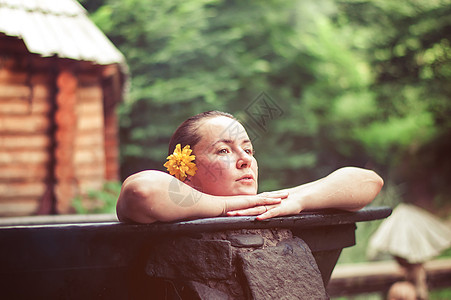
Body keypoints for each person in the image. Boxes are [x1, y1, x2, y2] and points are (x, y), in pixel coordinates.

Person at [116, 111, 384, 224]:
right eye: (223, 150)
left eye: (248, 149)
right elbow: (142, 191)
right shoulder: (168, 204)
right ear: (186, 174)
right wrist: (225, 207)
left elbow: (370, 182)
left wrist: (299, 199)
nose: (244, 159)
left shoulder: (269, 204)